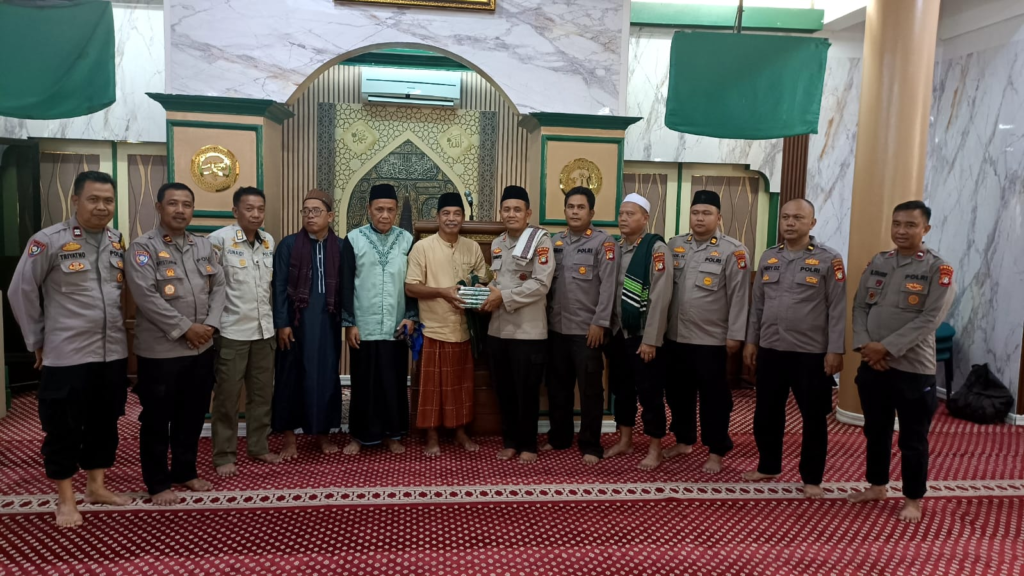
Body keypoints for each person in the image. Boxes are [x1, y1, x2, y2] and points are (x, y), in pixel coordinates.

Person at [8, 171, 131, 527]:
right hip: (67, 354)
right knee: (63, 427)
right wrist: (36, 341)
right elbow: (21, 291)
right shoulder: (48, 240)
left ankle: (96, 487)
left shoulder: (117, 240)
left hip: (111, 353)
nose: (102, 207)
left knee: (104, 422)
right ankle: (65, 498)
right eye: (93, 199)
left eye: (108, 200)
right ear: (75, 200)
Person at [848, 200, 956, 523]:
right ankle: (877, 485)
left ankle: (913, 498)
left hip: (912, 369)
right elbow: (860, 307)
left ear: (926, 229)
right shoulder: (879, 262)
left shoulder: (938, 269)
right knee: (875, 430)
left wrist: (887, 349)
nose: (901, 230)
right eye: (897, 224)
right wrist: (865, 346)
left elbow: (930, 319)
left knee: (912, 437)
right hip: (873, 365)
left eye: (910, 225)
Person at [127, 182, 226, 505]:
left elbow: (219, 286)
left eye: (186, 204)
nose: (180, 210)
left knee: (192, 414)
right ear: (159, 207)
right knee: (157, 418)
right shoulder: (143, 248)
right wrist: (185, 329)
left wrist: (210, 325)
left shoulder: (203, 246)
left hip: (201, 347)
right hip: (161, 351)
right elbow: (145, 296)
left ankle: (185, 470)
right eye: (173, 203)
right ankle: (157, 482)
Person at [742, 199, 846, 498]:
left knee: (813, 417)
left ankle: (812, 478)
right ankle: (768, 465)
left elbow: (837, 308)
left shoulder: (829, 259)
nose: (789, 222)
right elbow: (757, 305)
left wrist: (835, 350)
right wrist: (751, 341)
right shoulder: (769, 257)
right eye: (785, 217)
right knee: (766, 412)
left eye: (798, 218)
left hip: (810, 353)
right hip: (771, 349)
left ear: (811, 223)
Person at [661, 190, 750, 474]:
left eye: (706, 213)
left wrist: (735, 335)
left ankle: (716, 450)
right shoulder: (675, 245)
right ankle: (684, 440)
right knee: (677, 393)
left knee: (714, 399)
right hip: (675, 336)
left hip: (711, 340)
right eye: (695, 212)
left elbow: (740, 297)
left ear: (719, 217)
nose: (700, 218)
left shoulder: (734, 251)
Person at [404, 192, 489, 456]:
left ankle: (460, 432)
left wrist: (476, 289)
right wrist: (443, 292)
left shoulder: (472, 247)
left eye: (456, 214)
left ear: (463, 217)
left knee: (460, 386)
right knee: (432, 388)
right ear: (437, 217)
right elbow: (410, 287)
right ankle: (431, 435)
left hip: (463, 329)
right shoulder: (422, 248)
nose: (451, 218)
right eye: (446, 213)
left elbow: (482, 279)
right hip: (433, 328)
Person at [207, 187, 279, 477]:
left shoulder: (268, 241)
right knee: (227, 397)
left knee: (262, 395)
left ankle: (258, 446)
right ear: (235, 211)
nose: (256, 214)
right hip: (231, 331)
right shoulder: (218, 240)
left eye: (260, 209)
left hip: (264, 332)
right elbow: (207, 286)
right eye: (249, 209)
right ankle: (224, 454)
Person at [543, 186, 617, 465]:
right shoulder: (553, 242)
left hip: (588, 331)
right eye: (571, 207)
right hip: (556, 329)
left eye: (581, 207)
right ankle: (559, 437)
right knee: (557, 388)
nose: (575, 212)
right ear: (564, 210)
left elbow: (609, 287)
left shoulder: (604, 243)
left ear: (591, 212)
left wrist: (600, 323)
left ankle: (590, 444)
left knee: (590, 391)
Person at [480, 185, 554, 464]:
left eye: (517, 210)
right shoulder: (498, 243)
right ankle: (510, 442)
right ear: (501, 212)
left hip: (528, 331)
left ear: (528, 213)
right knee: (504, 391)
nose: (511, 214)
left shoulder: (540, 241)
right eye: (507, 209)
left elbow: (541, 284)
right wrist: (483, 292)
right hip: (498, 330)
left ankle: (528, 444)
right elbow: (498, 281)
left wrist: (503, 296)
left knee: (527, 392)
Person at [341, 184, 417, 455]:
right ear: (369, 210)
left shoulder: (407, 240)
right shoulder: (353, 239)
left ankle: (392, 434)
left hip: (397, 325)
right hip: (363, 325)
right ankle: (359, 436)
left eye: (390, 210)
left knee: (393, 382)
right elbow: (345, 284)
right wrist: (349, 323)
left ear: (396, 212)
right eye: (379, 209)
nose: (385, 215)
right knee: (363, 383)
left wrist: (410, 317)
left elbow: (413, 283)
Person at [272, 189, 345, 458]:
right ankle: (289, 438)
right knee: (290, 378)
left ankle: (322, 434)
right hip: (295, 325)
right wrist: (282, 323)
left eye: (316, 211)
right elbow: (279, 287)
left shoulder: (340, 247)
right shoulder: (289, 245)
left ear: (330, 216)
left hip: (328, 324)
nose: (310, 216)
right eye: (306, 211)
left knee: (325, 378)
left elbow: (347, 288)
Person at [603, 193, 672, 470]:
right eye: (621, 214)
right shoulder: (616, 248)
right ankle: (625, 440)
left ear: (645, 218)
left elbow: (660, 298)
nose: (623, 219)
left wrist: (651, 340)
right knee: (622, 390)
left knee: (650, 393)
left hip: (644, 335)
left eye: (630, 214)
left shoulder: (656, 250)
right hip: (619, 333)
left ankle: (655, 447)